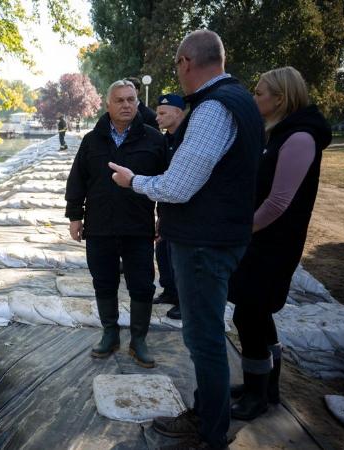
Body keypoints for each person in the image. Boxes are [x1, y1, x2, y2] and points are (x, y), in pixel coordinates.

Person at [108, 30, 263, 449]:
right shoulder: (241, 101)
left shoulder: (213, 109)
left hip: (203, 244)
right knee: (207, 334)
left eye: (176, 67)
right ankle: (208, 415)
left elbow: (179, 185)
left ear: (185, 62)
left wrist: (133, 180)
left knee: (204, 338)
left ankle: (208, 430)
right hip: (219, 235)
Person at [228, 66, 332, 420]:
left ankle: (258, 394)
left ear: (280, 99)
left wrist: (241, 230)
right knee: (255, 313)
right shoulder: (279, 133)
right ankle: (265, 384)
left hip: (274, 244)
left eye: (259, 93)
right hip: (262, 240)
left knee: (249, 314)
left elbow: (278, 202)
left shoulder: (300, 137)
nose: (254, 97)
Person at [65, 79, 168, 368]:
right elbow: (77, 180)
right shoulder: (92, 141)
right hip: (100, 227)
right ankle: (110, 334)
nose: (126, 105)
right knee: (104, 282)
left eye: (131, 100)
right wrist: (75, 216)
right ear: (107, 104)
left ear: (138, 103)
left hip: (138, 227)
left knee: (143, 285)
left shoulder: (153, 140)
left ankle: (139, 340)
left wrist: (164, 217)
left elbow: (166, 183)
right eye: (120, 100)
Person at [153, 93, 186, 321]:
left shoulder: (188, 140)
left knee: (180, 258)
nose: (157, 117)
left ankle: (185, 302)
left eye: (163, 113)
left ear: (178, 113)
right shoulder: (165, 140)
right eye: (157, 113)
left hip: (184, 210)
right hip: (166, 208)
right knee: (162, 252)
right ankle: (169, 291)